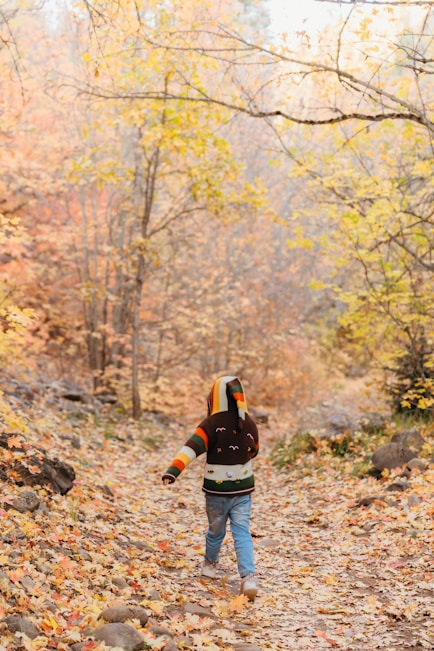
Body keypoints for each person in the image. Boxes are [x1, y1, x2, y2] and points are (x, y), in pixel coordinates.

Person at [162, 375, 260, 601]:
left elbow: (190, 449)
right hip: (243, 490)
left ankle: (210, 564)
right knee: (242, 532)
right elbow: (254, 449)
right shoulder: (249, 422)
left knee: (216, 530)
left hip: (216, 492)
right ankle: (248, 577)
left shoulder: (210, 424)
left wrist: (173, 471)